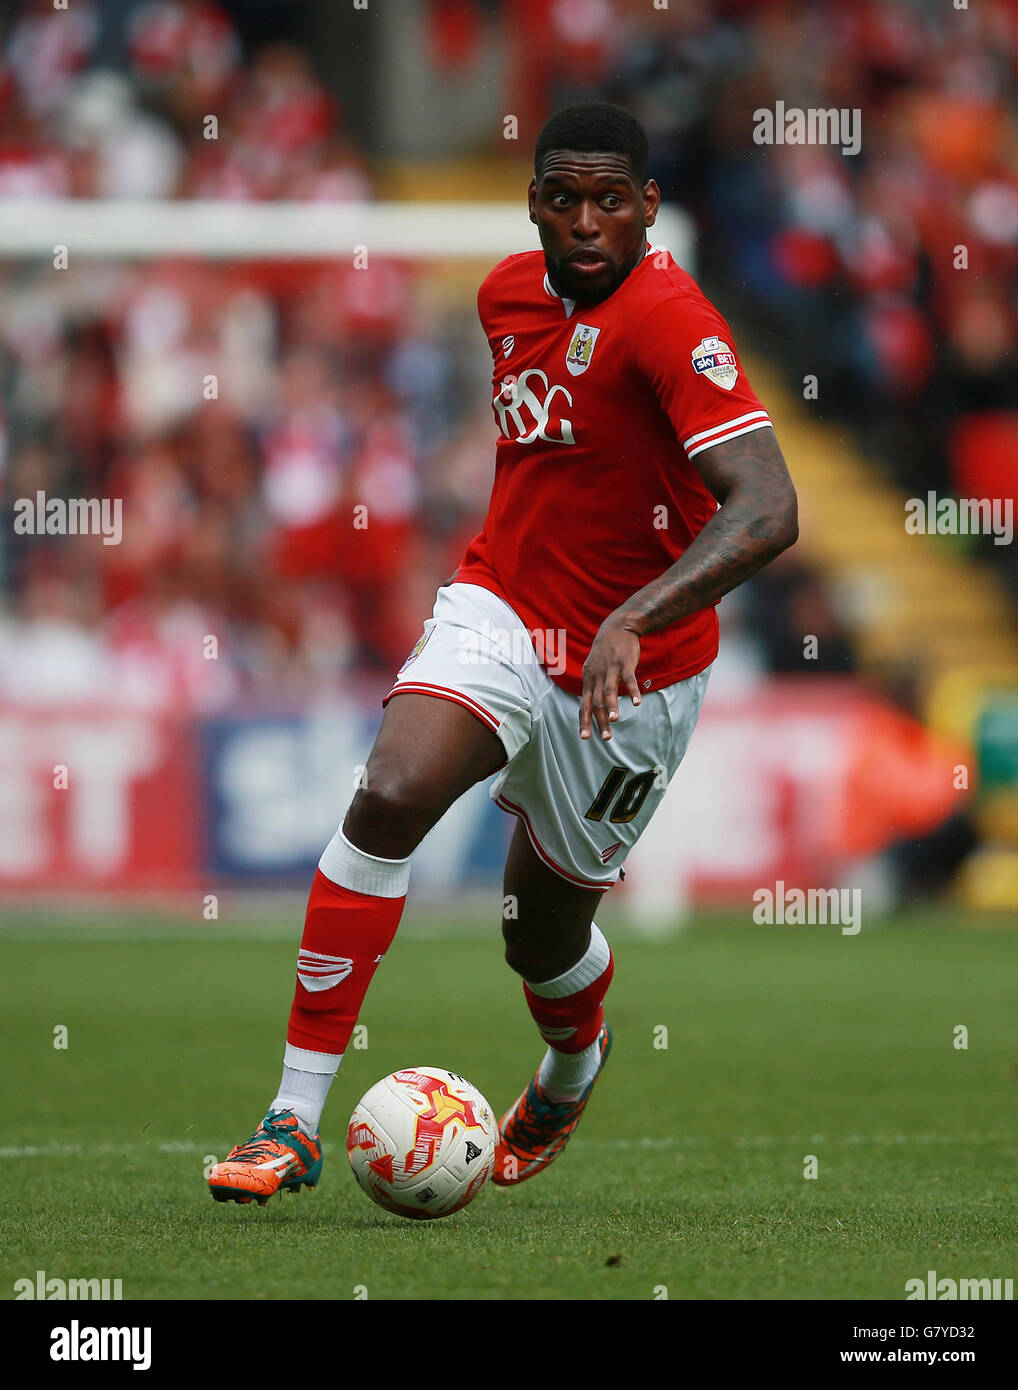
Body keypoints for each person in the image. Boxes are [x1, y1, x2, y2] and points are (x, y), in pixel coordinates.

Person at [207, 101, 799, 1205]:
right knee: (387, 793)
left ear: (646, 208)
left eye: (609, 200)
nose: (585, 222)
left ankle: (572, 1066)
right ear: (532, 202)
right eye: (562, 197)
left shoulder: (672, 322)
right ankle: (290, 1117)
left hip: (635, 675)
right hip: (500, 610)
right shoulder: (501, 297)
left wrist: (636, 612)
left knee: (538, 937)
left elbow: (766, 508)